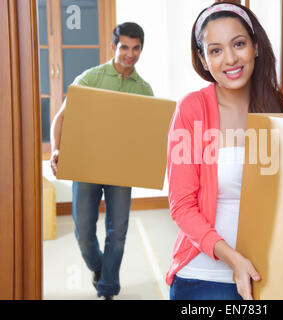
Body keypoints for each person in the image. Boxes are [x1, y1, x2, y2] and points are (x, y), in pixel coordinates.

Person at [166, 2, 283, 300]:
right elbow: (182, 206)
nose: (230, 59)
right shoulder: (191, 109)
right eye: (215, 50)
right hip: (205, 276)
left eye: (238, 44)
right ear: (202, 58)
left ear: (255, 46)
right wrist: (234, 260)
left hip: (270, 272)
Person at [50, 22, 153, 300]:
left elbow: (147, 136)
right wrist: (56, 149)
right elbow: (61, 117)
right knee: (83, 231)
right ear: (113, 47)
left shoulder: (144, 90)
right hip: (87, 166)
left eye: (136, 48)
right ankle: (99, 268)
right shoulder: (91, 78)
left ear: (141, 49)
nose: (129, 54)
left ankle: (107, 288)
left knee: (117, 233)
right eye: (124, 47)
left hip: (121, 170)